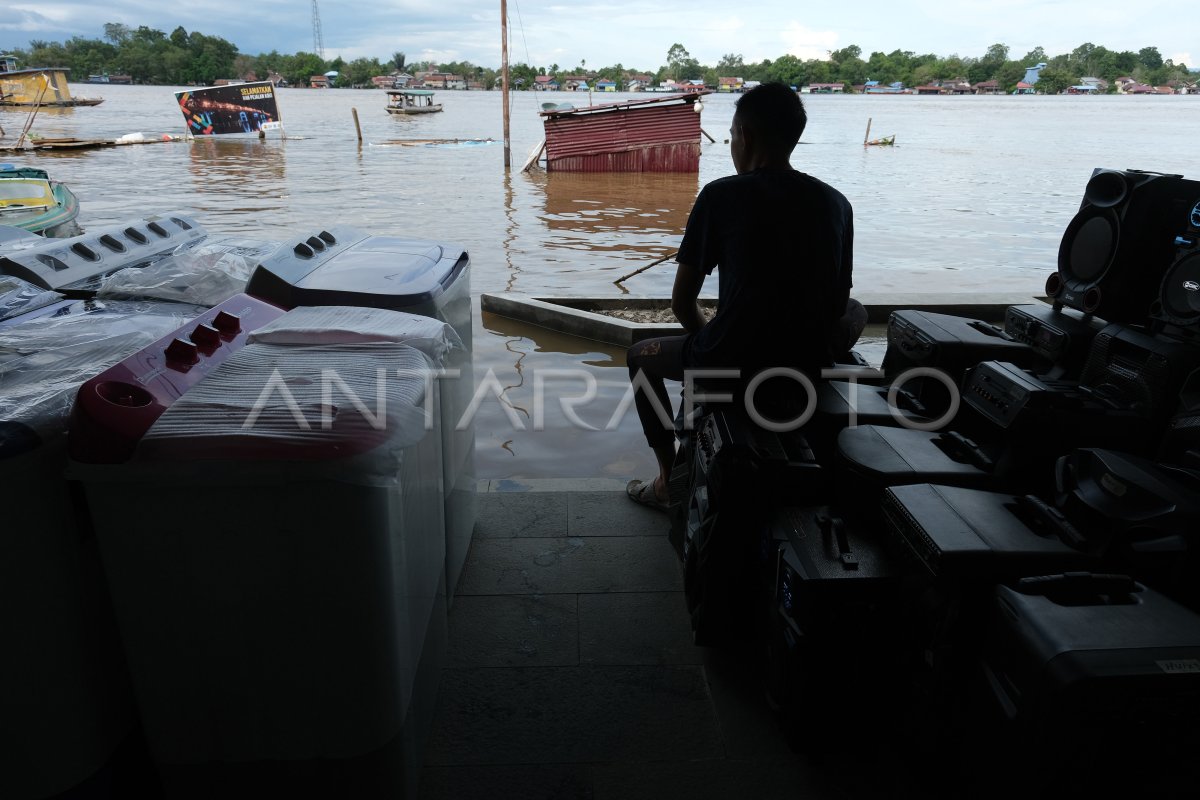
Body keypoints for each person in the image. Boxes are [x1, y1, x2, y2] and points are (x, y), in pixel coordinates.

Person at [625, 82, 866, 510]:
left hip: (728, 359)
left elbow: (682, 304)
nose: (732, 146)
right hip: (802, 361)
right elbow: (835, 302)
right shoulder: (837, 203)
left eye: (733, 136)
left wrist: (712, 338)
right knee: (857, 310)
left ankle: (666, 482)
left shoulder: (721, 195)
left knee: (639, 355)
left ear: (745, 137)